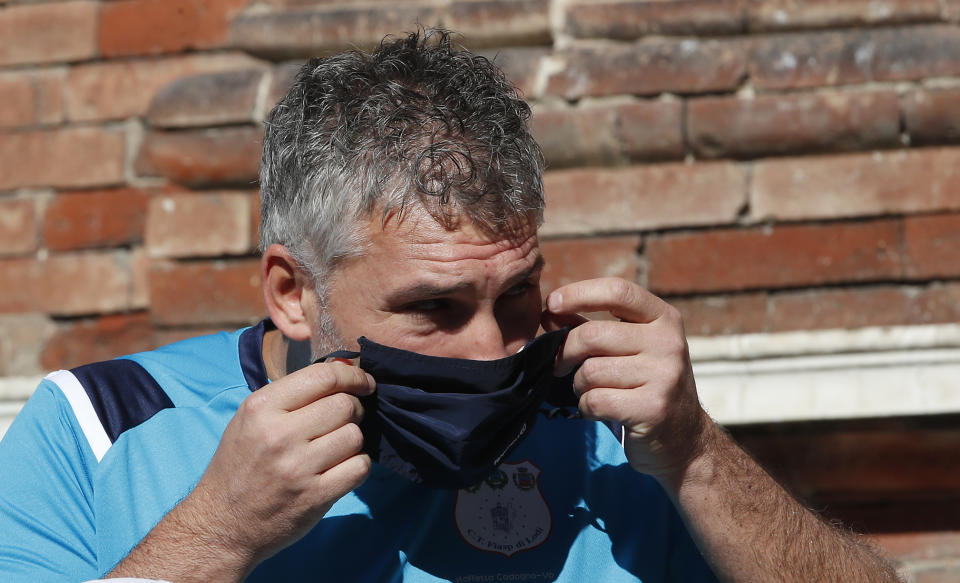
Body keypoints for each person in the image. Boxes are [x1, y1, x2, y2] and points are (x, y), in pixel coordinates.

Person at [0, 30, 901, 583]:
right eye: (433, 308)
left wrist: (699, 454)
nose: (489, 350)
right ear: (292, 293)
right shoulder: (96, 427)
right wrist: (217, 535)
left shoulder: (611, 439)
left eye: (516, 295)